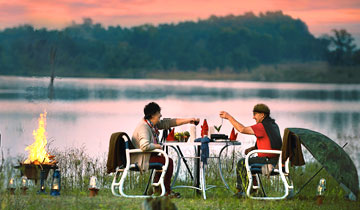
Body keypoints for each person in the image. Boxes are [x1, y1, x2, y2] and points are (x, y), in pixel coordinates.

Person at [132, 102, 199, 197]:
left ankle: (158, 190)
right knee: (168, 161)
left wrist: (189, 120)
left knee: (163, 161)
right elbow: (144, 146)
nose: (160, 116)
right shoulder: (144, 127)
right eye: (159, 115)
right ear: (152, 115)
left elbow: (169, 122)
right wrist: (158, 146)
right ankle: (166, 191)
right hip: (141, 159)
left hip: (147, 156)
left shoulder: (152, 124)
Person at [219, 103, 282, 197]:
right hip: (276, 160)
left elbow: (242, 129)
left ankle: (241, 192)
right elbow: (269, 141)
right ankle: (253, 190)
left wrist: (229, 117)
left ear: (262, 115)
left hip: (269, 163)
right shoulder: (273, 125)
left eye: (255, 114)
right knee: (249, 161)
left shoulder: (262, 126)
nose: (253, 117)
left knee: (242, 163)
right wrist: (253, 148)